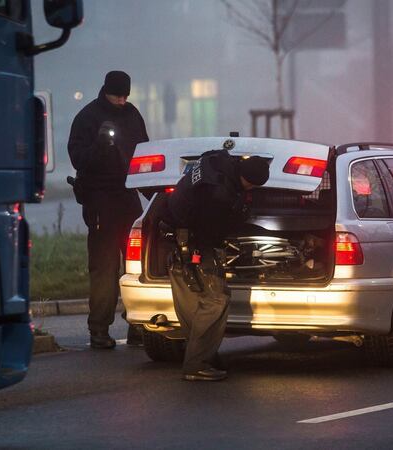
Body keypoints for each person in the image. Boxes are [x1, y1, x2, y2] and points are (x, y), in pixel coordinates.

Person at [155, 149, 270, 381]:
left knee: (191, 304)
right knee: (216, 300)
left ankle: (202, 355)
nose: (251, 191)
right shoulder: (220, 195)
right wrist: (241, 219)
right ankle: (197, 363)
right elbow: (211, 233)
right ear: (248, 180)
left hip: (173, 241)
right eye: (252, 187)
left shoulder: (216, 160)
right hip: (197, 247)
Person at [67, 71, 149, 349]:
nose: (122, 101)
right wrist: (100, 147)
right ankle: (99, 329)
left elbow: (144, 153)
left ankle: (138, 324)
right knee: (104, 268)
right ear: (106, 91)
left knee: (138, 266)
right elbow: (79, 160)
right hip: (100, 201)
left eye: (126, 96)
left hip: (128, 198)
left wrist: (151, 186)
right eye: (117, 95)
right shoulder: (87, 118)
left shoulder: (132, 114)